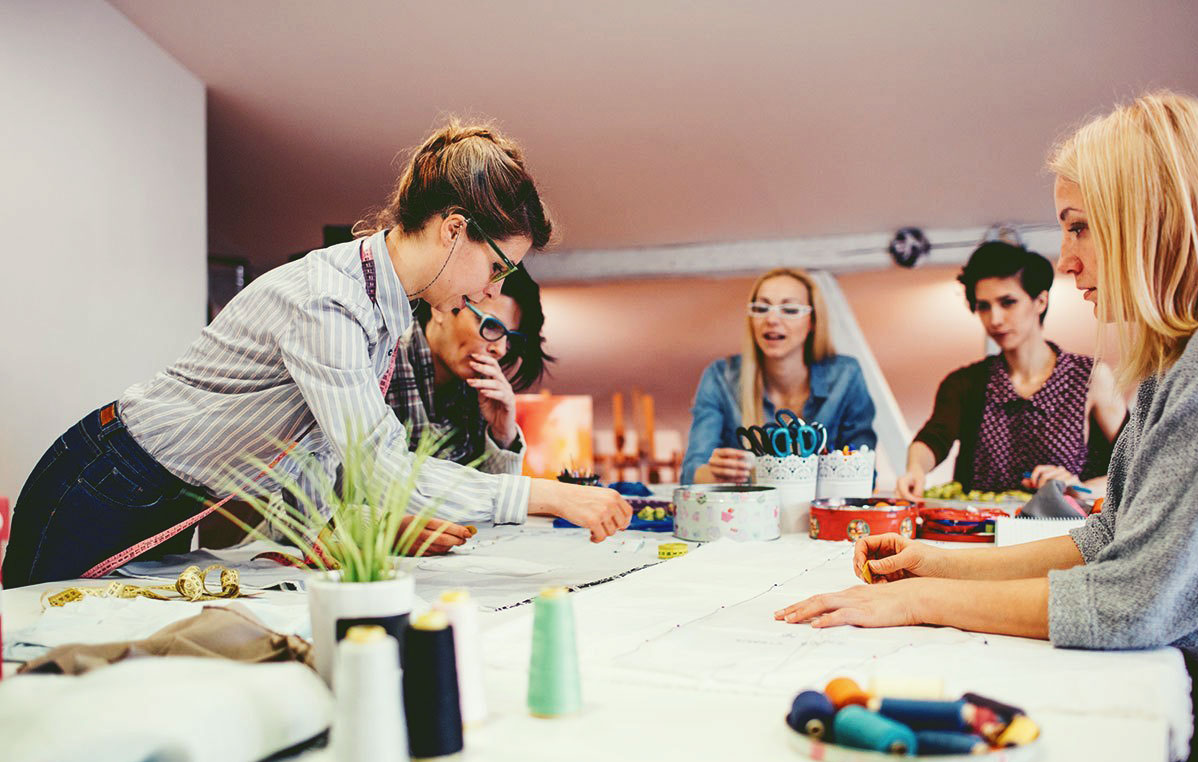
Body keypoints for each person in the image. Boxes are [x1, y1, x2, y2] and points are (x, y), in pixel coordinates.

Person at [774, 91, 1198, 762]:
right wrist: (933, 561)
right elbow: (1109, 536)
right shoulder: (1164, 370)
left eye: (1081, 228)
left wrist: (919, 600)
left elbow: (1132, 602)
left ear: (1147, 219)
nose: (1068, 262)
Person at [4, 121, 631, 588]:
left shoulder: (384, 307)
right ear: (453, 228)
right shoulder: (330, 302)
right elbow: (382, 467)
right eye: (496, 266)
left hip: (168, 491)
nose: (492, 290)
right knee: (33, 663)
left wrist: (320, 528)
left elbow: (307, 443)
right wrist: (547, 496)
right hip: (103, 480)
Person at [895, 241, 1127, 501]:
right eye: (984, 306)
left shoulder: (1091, 378)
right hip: (979, 533)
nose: (994, 319)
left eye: (1007, 303)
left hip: (1062, 534)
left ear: (1040, 301)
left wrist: (1078, 488)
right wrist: (915, 470)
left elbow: (1135, 468)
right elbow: (934, 437)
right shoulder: (965, 383)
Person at [681, 268, 876, 483]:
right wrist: (713, 474)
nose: (771, 319)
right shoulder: (720, 378)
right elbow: (691, 472)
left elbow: (865, 470)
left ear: (812, 321)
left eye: (790, 309)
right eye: (762, 308)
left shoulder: (846, 376)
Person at [384, 266, 551, 474]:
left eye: (511, 340)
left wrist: (502, 435)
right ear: (442, 307)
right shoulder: (381, 362)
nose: (499, 349)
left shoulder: (477, 400)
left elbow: (494, 502)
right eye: (491, 325)